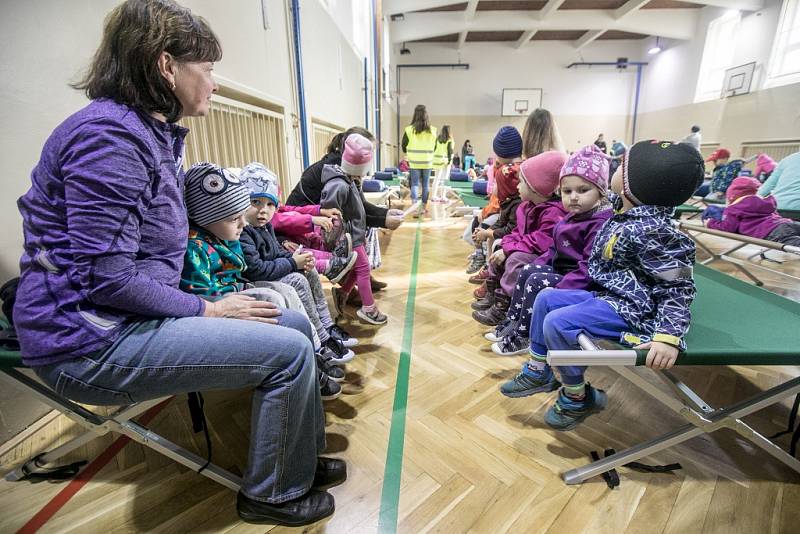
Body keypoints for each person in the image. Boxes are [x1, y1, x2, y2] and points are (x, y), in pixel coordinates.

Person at [13, 0, 338, 525]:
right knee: (290, 353)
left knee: (295, 320)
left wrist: (204, 302)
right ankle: (273, 492)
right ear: (167, 66)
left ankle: (295, 454)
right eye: (206, 69)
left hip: (123, 318)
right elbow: (105, 276)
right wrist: (205, 308)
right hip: (89, 341)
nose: (214, 81)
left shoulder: (145, 133)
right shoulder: (110, 139)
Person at [499, 140, 704, 430]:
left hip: (633, 310)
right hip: (607, 295)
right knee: (545, 297)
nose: (615, 168)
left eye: (622, 165)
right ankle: (538, 369)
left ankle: (576, 396)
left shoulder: (660, 233)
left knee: (558, 322)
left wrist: (667, 337)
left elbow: (678, 289)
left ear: (636, 183)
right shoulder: (623, 211)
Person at [179, 162, 344, 399]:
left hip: (237, 286)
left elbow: (254, 261)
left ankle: (316, 346)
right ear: (210, 218)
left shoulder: (231, 233)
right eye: (236, 217)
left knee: (293, 283)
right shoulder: (198, 247)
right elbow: (226, 282)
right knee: (277, 294)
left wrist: (290, 258)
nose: (243, 223)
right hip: (222, 301)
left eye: (268, 204)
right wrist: (290, 263)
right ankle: (299, 355)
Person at [491, 145, 612, 357]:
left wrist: (558, 288)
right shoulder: (572, 216)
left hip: (582, 282)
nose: (574, 197)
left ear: (601, 192)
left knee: (537, 281)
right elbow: (554, 251)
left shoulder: (598, 224)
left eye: (583, 190)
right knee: (529, 270)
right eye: (567, 191)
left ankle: (524, 335)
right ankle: (514, 321)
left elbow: (588, 269)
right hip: (566, 273)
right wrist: (538, 265)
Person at [237, 162, 358, 358]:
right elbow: (256, 269)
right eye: (255, 202)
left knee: (308, 271)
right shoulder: (243, 232)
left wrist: (297, 260)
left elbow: (276, 252)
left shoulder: (264, 226)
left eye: (269, 204)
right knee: (297, 279)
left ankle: (327, 326)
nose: (263, 210)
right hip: (254, 280)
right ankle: (319, 340)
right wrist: (293, 263)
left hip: (271, 271)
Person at [286, 127, 404, 291]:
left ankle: (360, 276)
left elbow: (359, 205)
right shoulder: (335, 170)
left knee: (364, 228)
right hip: (302, 225)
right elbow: (347, 213)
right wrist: (384, 218)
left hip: (317, 217)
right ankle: (352, 283)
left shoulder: (348, 166)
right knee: (353, 233)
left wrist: (385, 215)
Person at [472, 150, 567, 326]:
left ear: (536, 187)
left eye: (522, 182)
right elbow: (517, 232)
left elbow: (542, 240)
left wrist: (510, 250)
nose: (517, 187)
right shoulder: (526, 207)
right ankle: (494, 294)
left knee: (515, 260)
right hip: (528, 247)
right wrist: (506, 247)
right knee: (499, 252)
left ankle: (504, 306)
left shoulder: (554, 212)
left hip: (543, 255)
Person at [322, 134, 388, 325]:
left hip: (355, 236)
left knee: (356, 269)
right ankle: (369, 308)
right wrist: (340, 240)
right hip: (347, 238)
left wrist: (361, 234)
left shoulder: (350, 181)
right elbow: (331, 214)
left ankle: (342, 293)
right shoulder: (338, 184)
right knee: (363, 269)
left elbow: (357, 211)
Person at [704, 177, 800, 246]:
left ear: (732, 194)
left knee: (793, 244)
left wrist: (710, 223)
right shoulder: (765, 202)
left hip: (771, 232)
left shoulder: (734, 208)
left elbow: (728, 227)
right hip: (785, 222)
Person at [401, 104, 437, 217]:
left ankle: (415, 209)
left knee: (415, 184)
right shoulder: (433, 130)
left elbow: (403, 145)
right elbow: (435, 147)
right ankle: (423, 208)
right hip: (427, 161)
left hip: (414, 161)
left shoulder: (409, 130)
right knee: (426, 185)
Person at [431, 124, 454, 201]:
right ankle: (442, 196)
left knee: (436, 178)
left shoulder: (437, 139)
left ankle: (433, 196)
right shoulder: (449, 140)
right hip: (445, 161)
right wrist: (450, 161)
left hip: (437, 160)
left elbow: (433, 149)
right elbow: (450, 152)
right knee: (445, 179)